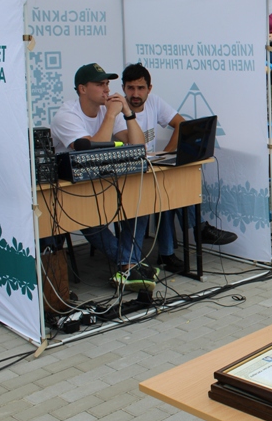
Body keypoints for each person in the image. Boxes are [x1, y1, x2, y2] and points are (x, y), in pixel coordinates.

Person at [121, 63, 237, 273]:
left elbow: (181, 125)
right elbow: (132, 145)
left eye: (140, 88)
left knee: (171, 188)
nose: (135, 94)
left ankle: (173, 249)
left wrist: (164, 154)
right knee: (167, 191)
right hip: (128, 175)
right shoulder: (119, 111)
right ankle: (193, 233)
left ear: (149, 88)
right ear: (123, 88)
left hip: (150, 170)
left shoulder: (154, 102)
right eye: (130, 88)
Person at [50, 63, 155, 292]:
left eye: (107, 84)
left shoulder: (109, 110)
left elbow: (139, 147)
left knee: (140, 201)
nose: (107, 89)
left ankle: (128, 264)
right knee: (88, 217)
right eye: (100, 84)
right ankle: (130, 263)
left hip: (102, 178)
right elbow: (91, 151)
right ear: (82, 89)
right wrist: (111, 114)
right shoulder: (66, 115)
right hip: (70, 188)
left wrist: (128, 113)